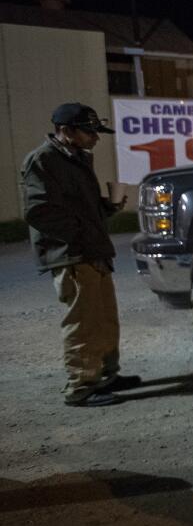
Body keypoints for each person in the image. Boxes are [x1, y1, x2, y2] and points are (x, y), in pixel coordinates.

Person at [21, 102, 141, 407]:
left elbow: (79, 206)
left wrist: (106, 207)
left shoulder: (76, 158)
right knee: (82, 322)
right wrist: (82, 231)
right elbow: (39, 212)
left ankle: (106, 375)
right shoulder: (43, 160)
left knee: (104, 319)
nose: (95, 138)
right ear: (65, 131)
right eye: (89, 132)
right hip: (72, 254)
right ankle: (81, 386)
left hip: (92, 250)